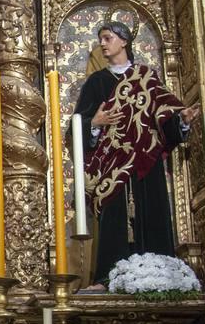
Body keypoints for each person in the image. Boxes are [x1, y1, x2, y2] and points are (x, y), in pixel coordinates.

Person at [72, 20, 198, 290]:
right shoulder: (97, 82)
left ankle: (162, 275)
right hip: (112, 163)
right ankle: (107, 278)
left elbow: (163, 119)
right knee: (113, 218)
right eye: (101, 39)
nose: (103, 44)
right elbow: (77, 124)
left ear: (124, 41)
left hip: (145, 161)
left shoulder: (147, 77)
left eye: (107, 38)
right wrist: (95, 123)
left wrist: (182, 122)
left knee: (152, 210)